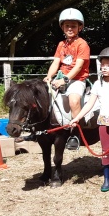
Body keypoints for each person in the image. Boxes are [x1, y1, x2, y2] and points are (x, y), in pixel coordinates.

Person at [69, 47, 109, 192]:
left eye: (108, 65)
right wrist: (77, 118)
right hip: (103, 123)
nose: (104, 68)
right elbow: (89, 104)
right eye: (102, 65)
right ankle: (106, 179)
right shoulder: (98, 84)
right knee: (105, 151)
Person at [43, 8, 90, 149]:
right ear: (62, 27)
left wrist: (65, 80)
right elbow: (56, 62)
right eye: (67, 26)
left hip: (77, 80)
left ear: (80, 27)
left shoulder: (82, 44)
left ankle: (75, 133)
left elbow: (78, 67)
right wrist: (49, 76)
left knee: (74, 100)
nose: (70, 28)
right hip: (60, 77)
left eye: (73, 26)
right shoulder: (61, 45)